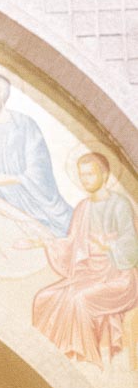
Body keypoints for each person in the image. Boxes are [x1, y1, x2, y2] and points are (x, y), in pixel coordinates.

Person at [32, 151, 138, 366]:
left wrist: (108, 245)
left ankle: (84, 359)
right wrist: (48, 243)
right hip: (89, 273)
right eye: (82, 175)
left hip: (119, 276)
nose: (85, 179)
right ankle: (46, 360)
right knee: (45, 296)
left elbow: (131, 247)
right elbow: (72, 244)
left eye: (90, 173)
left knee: (79, 299)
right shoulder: (82, 208)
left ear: (105, 174)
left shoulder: (119, 205)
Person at [0, 74, 72, 236]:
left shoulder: (23, 125)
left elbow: (39, 166)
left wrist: (14, 179)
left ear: (2, 95)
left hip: (25, 192)